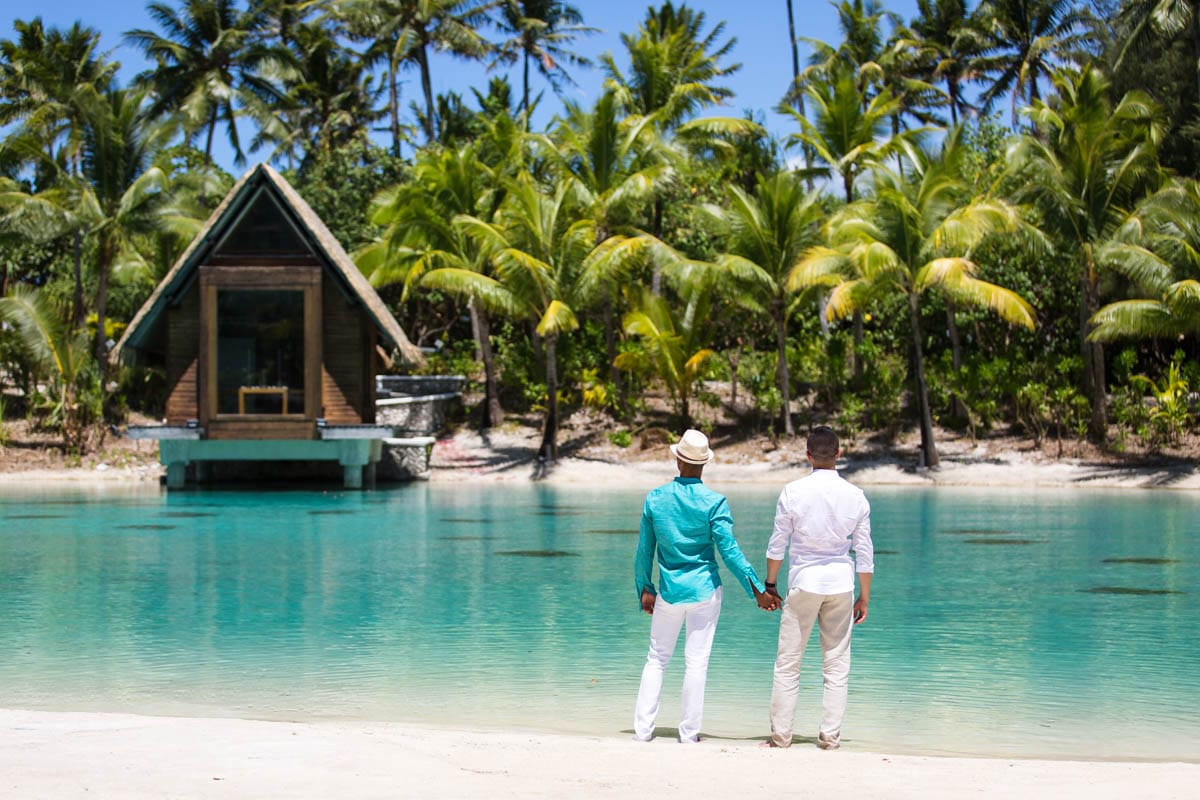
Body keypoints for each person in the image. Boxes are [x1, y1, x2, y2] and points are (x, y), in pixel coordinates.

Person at [633, 429, 777, 744]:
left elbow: (645, 550)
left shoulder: (655, 499)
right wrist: (757, 589)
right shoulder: (714, 502)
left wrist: (645, 587)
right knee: (695, 662)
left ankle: (643, 732)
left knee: (657, 658)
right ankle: (688, 735)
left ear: (677, 459)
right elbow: (730, 552)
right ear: (704, 464)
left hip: (669, 592)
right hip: (705, 591)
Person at [762, 425, 873, 750]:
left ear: (807, 455)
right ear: (839, 454)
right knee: (836, 666)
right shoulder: (855, 496)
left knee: (788, 663)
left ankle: (781, 738)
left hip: (804, 583)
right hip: (840, 584)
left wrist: (770, 583)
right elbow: (864, 554)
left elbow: (776, 545)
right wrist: (864, 596)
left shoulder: (792, 491)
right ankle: (830, 738)